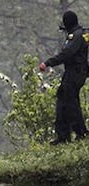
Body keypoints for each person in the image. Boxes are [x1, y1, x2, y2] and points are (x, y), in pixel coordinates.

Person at [39, 10, 89, 145]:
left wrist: (48, 63)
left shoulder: (76, 37)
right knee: (63, 99)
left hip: (75, 73)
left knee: (71, 103)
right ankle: (63, 135)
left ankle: (81, 133)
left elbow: (66, 54)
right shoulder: (82, 34)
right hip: (76, 73)